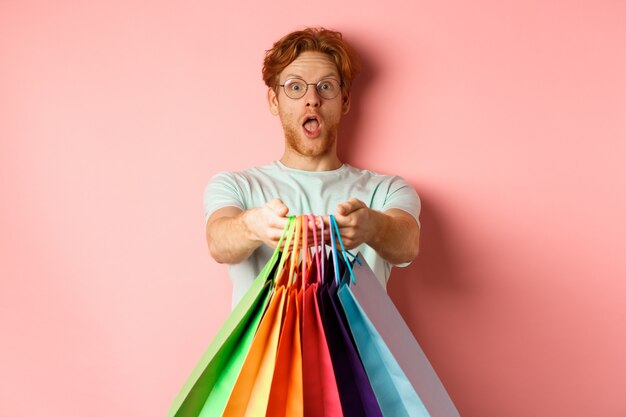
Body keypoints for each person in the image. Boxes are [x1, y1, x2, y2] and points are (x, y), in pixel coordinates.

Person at [203, 27, 421, 306]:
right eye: (295, 87)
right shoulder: (236, 186)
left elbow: (407, 245)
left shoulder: (387, 190)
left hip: (359, 351)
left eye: (326, 86)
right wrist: (253, 226)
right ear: (274, 101)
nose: (312, 99)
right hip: (263, 352)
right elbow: (218, 242)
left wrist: (373, 226)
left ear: (344, 100)